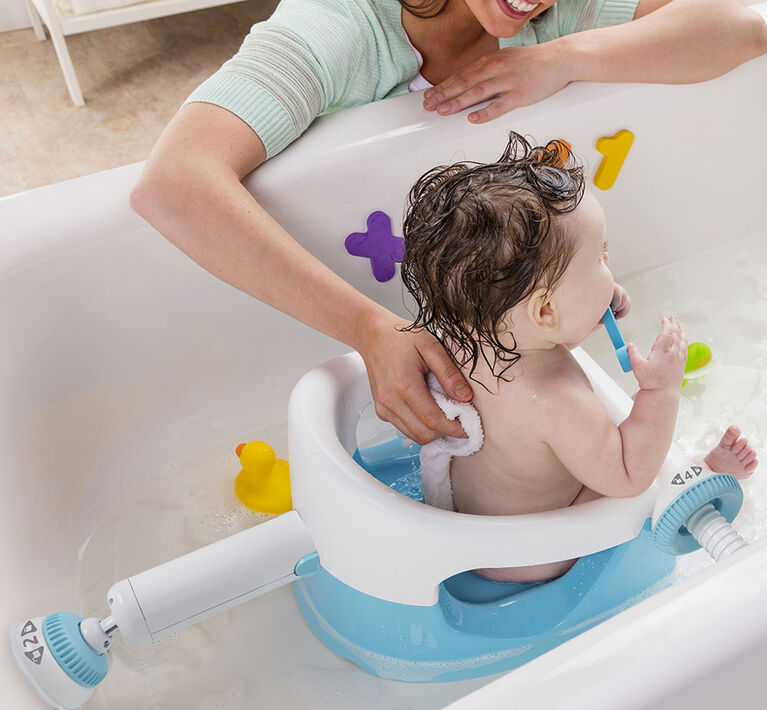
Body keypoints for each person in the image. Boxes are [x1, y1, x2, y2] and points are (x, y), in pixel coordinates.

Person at [129, 0, 767, 445]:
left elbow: (743, 24)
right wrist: (369, 328)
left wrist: (565, 58)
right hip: (313, 336)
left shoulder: (557, 11)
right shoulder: (338, 27)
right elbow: (174, 183)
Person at [399, 132, 758, 582]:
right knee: (640, 492)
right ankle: (698, 475)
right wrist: (660, 391)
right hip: (533, 555)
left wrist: (587, 308)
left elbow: (538, 336)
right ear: (547, 310)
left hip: (479, 527)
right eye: (601, 258)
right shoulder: (556, 400)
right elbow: (629, 473)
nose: (610, 261)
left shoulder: (475, 333)